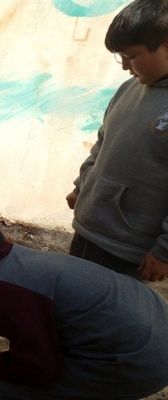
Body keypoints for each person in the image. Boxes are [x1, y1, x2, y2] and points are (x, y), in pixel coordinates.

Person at [0, 205, 168, 400]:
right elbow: (29, 302)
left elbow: (40, 368)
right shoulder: (19, 256)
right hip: (156, 326)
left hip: (140, 363)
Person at [65, 0, 168, 282]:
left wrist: (163, 252)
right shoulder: (128, 88)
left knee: (99, 319)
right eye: (119, 56)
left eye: (130, 56)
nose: (124, 66)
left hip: (128, 248)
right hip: (90, 226)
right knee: (71, 299)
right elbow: (103, 142)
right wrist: (81, 186)